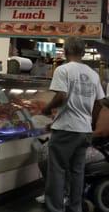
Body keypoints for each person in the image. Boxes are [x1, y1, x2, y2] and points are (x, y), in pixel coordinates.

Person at [42, 37, 105, 212]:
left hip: (66, 129)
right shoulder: (93, 74)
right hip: (84, 131)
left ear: (66, 51)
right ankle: (75, 207)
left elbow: (61, 96)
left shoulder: (63, 70)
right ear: (83, 53)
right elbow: (101, 102)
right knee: (78, 171)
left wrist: (47, 108)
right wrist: (91, 123)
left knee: (57, 170)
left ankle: (56, 208)